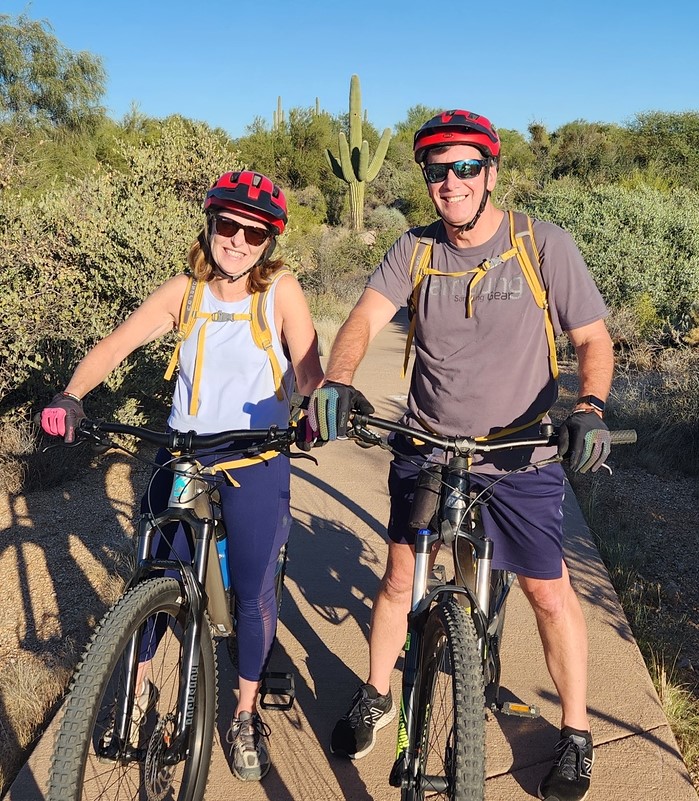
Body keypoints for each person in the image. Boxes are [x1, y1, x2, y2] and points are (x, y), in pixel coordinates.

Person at [308, 110, 613, 801]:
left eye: (465, 167)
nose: (451, 182)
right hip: (426, 442)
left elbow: (592, 340)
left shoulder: (540, 244)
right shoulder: (413, 249)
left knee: (546, 590)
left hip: (518, 454)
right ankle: (377, 693)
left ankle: (573, 730)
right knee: (397, 580)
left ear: (490, 173)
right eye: (437, 170)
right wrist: (338, 378)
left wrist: (588, 409)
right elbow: (360, 319)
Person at [41, 170, 323, 783]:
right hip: (186, 455)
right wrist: (70, 394)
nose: (239, 241)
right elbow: (117, 346)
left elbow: (308, 368)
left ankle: (245, 713)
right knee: (156, 576)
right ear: (210, 224)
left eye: (255, 233)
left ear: (269, 241)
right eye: (229, 226)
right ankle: (136, 693)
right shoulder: (184, 292)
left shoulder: (279, 293)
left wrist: (317, 407)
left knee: (252, 591)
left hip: (255, 460)